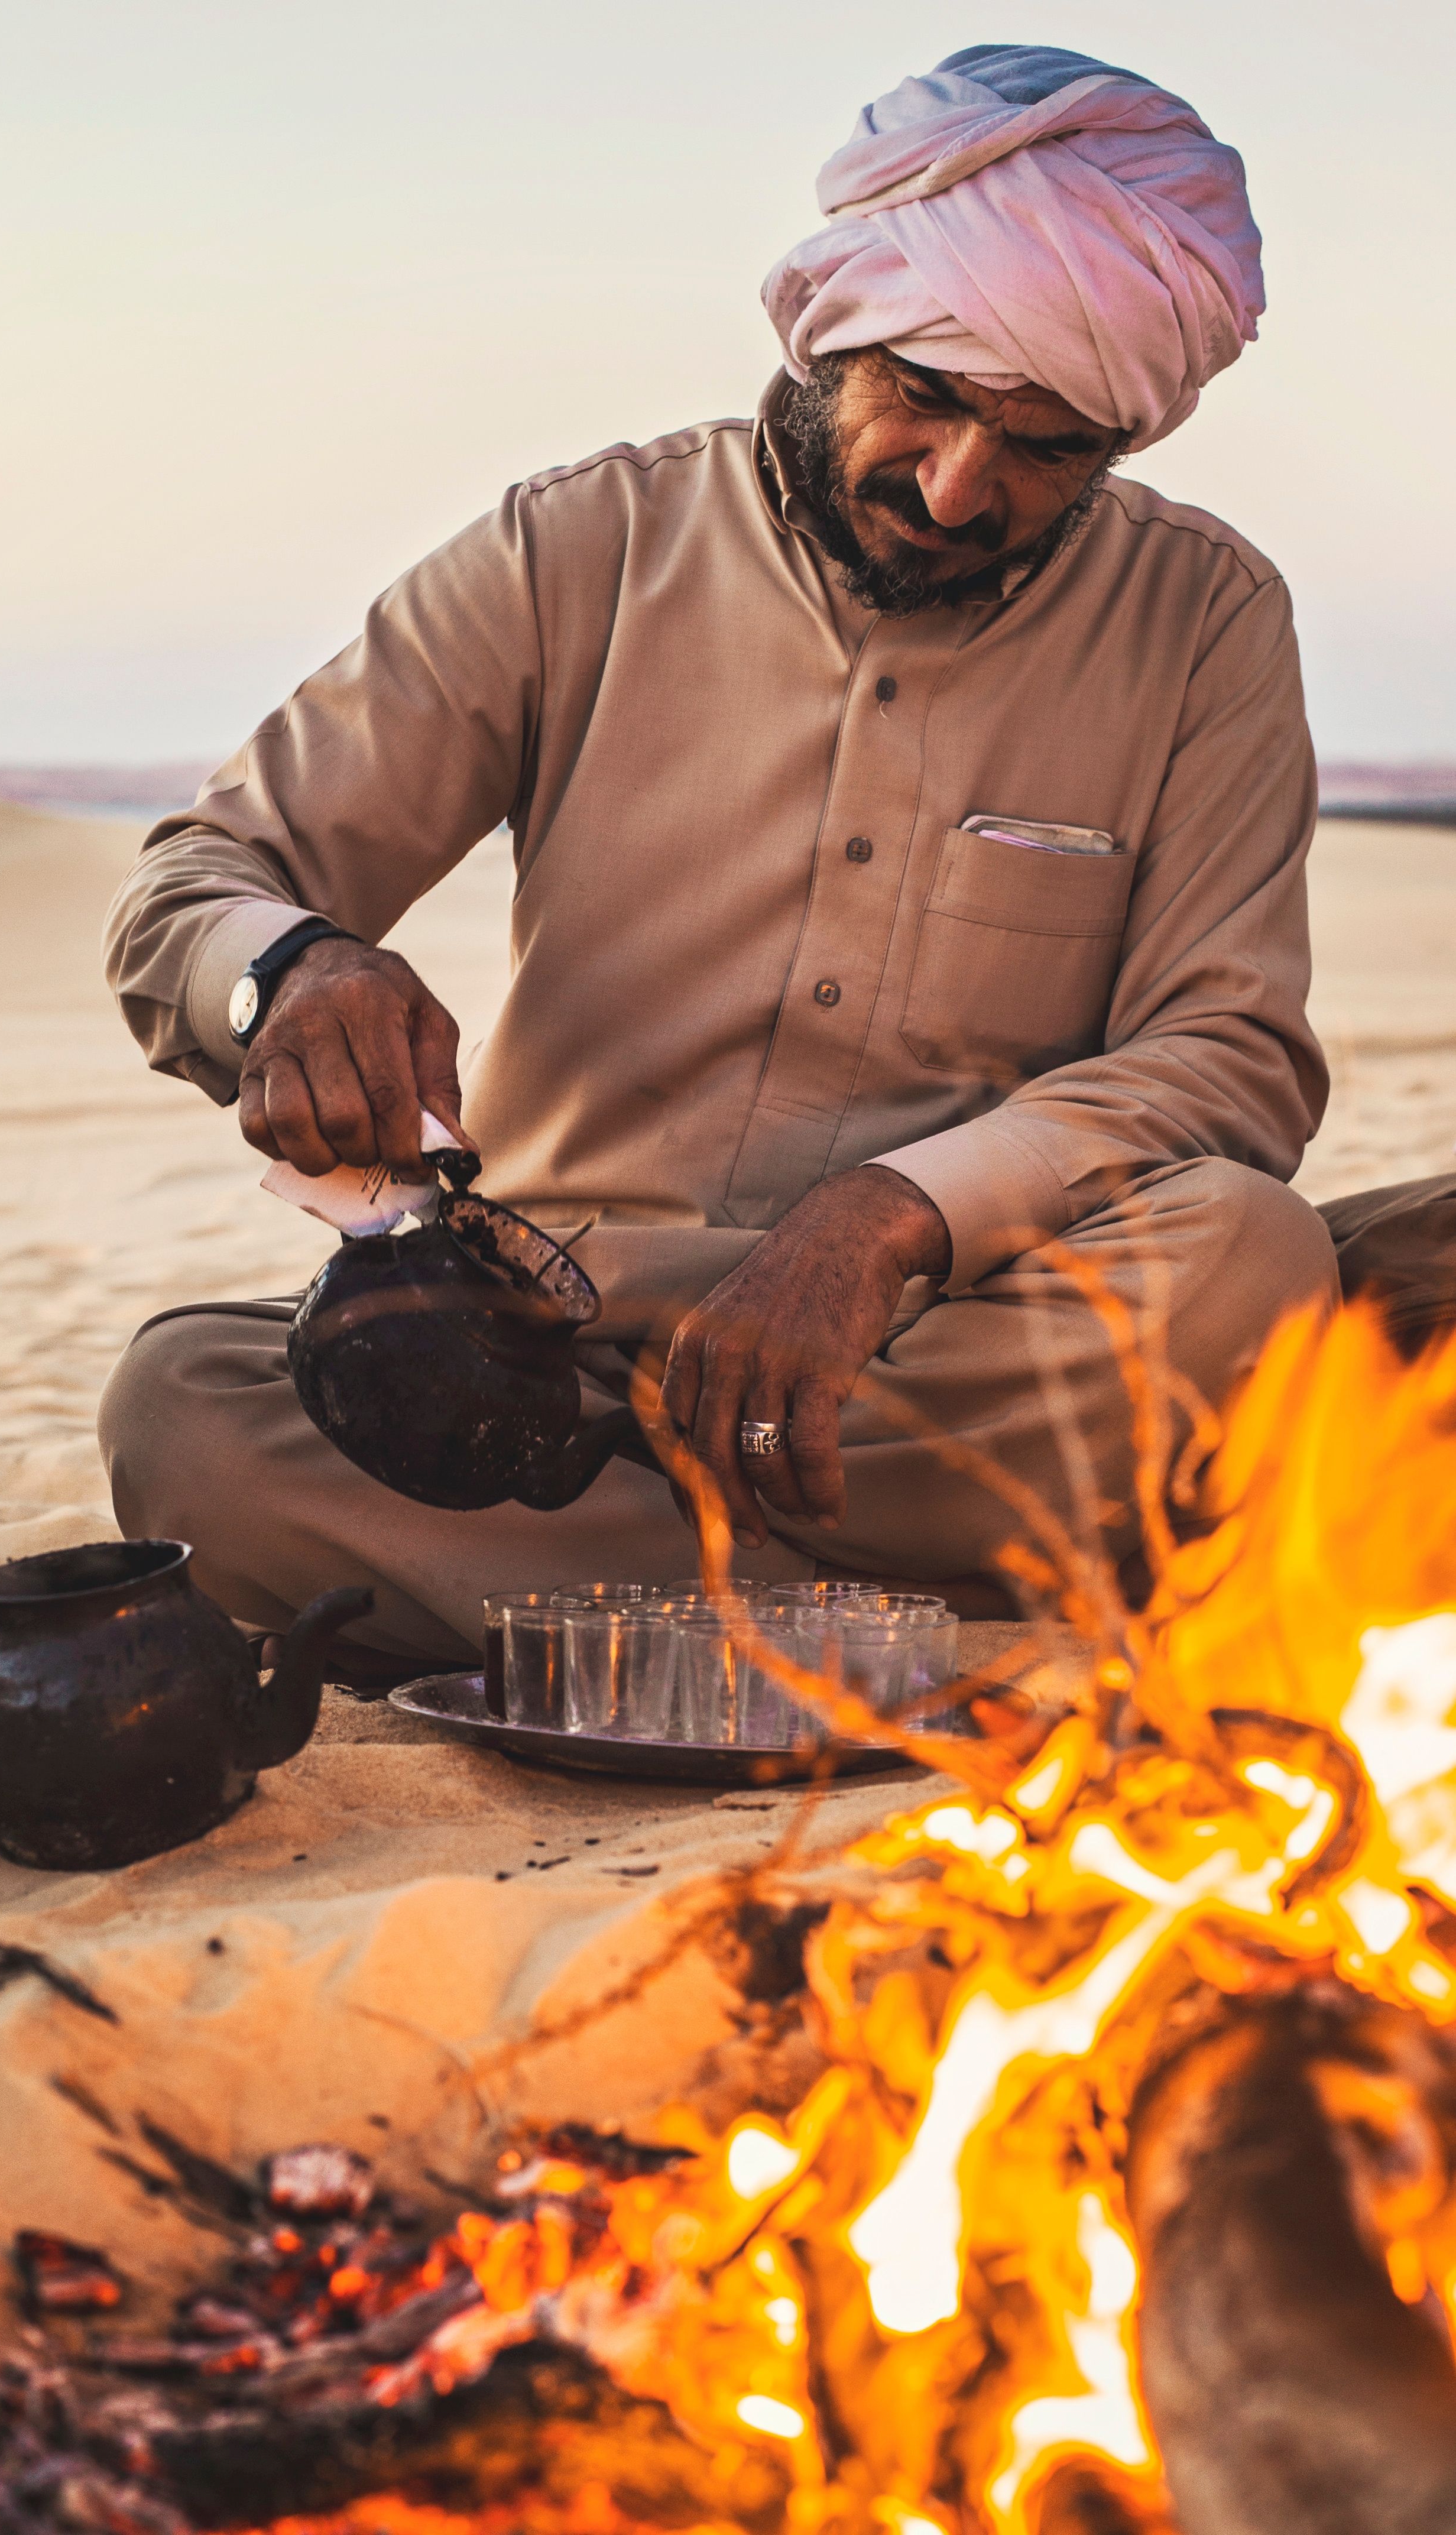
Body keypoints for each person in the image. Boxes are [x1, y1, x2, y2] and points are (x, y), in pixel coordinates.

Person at [100, 42, 1341, 1678]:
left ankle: (636, 1618)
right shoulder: (578, 551)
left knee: (1247, 1257)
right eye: (929, 393)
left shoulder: (1202, 622)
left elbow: (1225, 1055)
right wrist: (293, 969)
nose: (959, 484)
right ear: (832, 325)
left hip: (931, 1346)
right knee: (184, 1410)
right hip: (552, 1357)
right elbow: (200, 881)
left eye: (1045, 451)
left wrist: (890, 1217)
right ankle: (926, 1634)